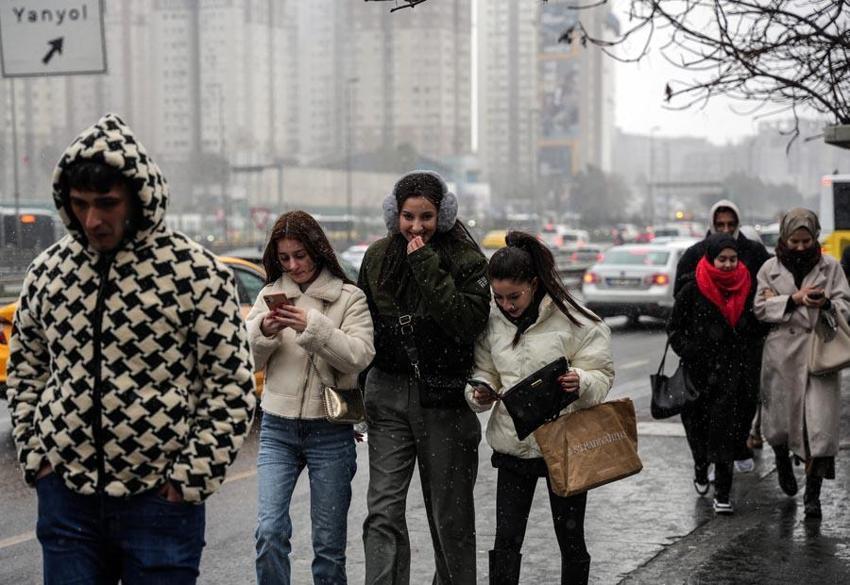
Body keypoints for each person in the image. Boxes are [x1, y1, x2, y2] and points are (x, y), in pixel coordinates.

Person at [6, 113, 257, 584]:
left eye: (107, 203)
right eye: (80, 204)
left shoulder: (195, 274)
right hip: (66, 497)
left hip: (160, 503)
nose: (93, 220)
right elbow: (26, 370)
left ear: (139, 199)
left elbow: (231, 385)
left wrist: (189, 479)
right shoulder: (48, 273)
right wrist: (38, 457)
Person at [359, 170, 491, 585]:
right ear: (393, 215)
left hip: (444, 397)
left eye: (427, 216)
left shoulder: (467, 259)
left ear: (445, 215)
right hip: (387, 392)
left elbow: (464, 322)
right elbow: (361, 324)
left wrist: (424, 262)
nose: (416, 227)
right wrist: (356, 395)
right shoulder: (377, 255)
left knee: (449, 513)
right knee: (383, 510)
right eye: (408, 217)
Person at [465, 232, 614, 585]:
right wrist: (480, 394)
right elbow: (483, 371)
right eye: (498, 297)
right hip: (514, 448)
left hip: (565, 446)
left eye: (513, 296)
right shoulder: (492, 322)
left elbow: (602, 374)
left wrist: (581, 380)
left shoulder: (575, 320)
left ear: (534, 284)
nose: (506, 305)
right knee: (507, 540)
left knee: (571, 539)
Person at [247, 210, 375, 584]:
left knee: (328, 547)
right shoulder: (270, 294)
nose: (293, 265)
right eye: (284, 257)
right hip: (277, 429)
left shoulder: (348, 297)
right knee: (269, 532)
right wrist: (263, 331)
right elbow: (245, 358)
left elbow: (359, 355)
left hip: (330, 432)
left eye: (300, 255)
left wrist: (312, 327)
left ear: (317, 250)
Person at [753, 208, 850, 519]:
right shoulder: (769, 268)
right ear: (784, 238)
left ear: (815, 237)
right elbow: (759, 308)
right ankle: (782, 457)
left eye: (806, 240)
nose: (799, 247)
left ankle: (813, 495)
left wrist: (827, 303)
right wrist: (794, 299)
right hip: (782, 355)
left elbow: (845, 305)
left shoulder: (830, 266)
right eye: (793, 240)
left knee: (820, 430)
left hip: (819, 355)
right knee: (779, 424)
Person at [667, 233, 767, 514]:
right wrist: (691, 350)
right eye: (721, 259)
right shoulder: (693, 288)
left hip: (733, 374)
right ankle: (700, 465)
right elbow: (674, 328)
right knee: (697, 429)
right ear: (710, 259)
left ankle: (723, 493)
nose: (726, 265)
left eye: (732, 259)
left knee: (725, 431)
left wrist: (747, 341)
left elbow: (759, 326)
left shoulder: (748, 286)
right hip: (697, 375)